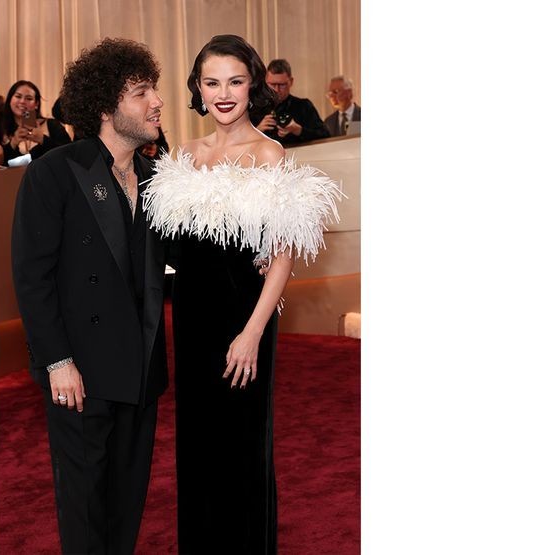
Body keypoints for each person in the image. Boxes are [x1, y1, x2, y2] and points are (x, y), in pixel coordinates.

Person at [143, 35, 341, 553]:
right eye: (212, 82)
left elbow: (282, 254)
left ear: (251, 84)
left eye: (234, 80)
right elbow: (175, 246)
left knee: (241, 447)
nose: (223, 93)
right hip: (191, 319)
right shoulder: (186, 154)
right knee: (199, 447)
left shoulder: (269, 154)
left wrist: (253, 333)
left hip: (243, 319)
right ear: (198, 89)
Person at [11, 37, 168, 554]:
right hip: (79, 371)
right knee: (84, 506)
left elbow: (173, 266)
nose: (156, 102)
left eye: (154, 90)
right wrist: (57, 361)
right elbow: (32, 277)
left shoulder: (156, 179)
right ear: (106, 106)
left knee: (127, 504)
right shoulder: (56, 171)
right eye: (141, 92)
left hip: (141, 367)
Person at [252, 58, 330, 146]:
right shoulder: (255, 107)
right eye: (272, 84)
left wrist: (298, 130)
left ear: (291, 82)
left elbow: (325, 135)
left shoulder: (303, 106)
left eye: (282, 85)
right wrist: (258, 130)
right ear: (265, 82)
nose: (276, 90)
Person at [0, 80, 72, 165]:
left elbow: (69, 154)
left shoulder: (51, 125)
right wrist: (13, 143)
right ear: (10, 100)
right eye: (18, 96)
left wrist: (43, 139)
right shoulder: (0, 128)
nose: (22, 101)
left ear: (36, 104)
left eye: (29, 98)